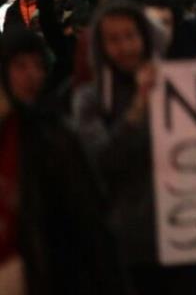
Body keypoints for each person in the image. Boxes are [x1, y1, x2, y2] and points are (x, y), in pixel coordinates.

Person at [73, 0, 196, 295]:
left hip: (184, 237)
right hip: (123, 245)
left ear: (145, 37)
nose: (125, 47)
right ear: (100, 47)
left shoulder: (176, 88)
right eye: (113, 40)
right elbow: (101, 160)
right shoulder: (90, 100)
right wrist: (138, 109)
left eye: (130, 36)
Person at [0, 28, 128, 294]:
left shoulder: (54, 134)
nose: (31, 75)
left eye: (38, 66)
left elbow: (85, 217)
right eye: (20, 66)